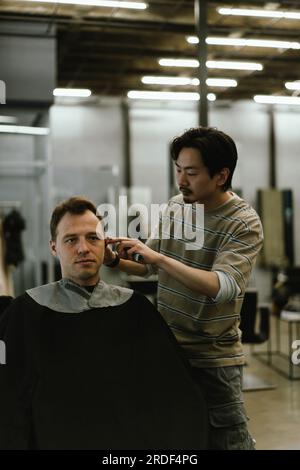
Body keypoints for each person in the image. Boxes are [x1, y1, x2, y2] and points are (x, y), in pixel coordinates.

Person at [0, 196, 208, 450]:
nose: (83, 248)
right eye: (71, 239)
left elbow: (174, 396)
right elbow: (8, 402)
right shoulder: (24, 314)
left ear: (105, 245)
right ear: (53, 247)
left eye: (92, 238)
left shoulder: (136, 310)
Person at [105, 127, 264, 450]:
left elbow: (223, 286)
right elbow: (147, 265)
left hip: (213, 361)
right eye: (178, 169)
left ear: (221, 175)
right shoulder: (178, 207)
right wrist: (114, 261)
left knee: (227, 443)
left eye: (191, 172)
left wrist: (159, 258)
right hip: (169, 352)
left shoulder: (243, 223)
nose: (181, 180)